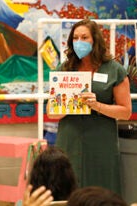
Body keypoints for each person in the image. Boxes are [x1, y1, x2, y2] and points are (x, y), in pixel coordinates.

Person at [47, 19, 132, 194]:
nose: (79, 42)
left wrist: (97, 105)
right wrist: (68, 103)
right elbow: (51, 113)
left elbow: (126, 112)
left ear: (95, 40)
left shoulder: (113, 70)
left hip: (101, 141)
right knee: (68, 190)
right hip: (69, 139)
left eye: (84, 37)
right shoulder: (64, 69)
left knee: (101, 191)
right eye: (75, 38)